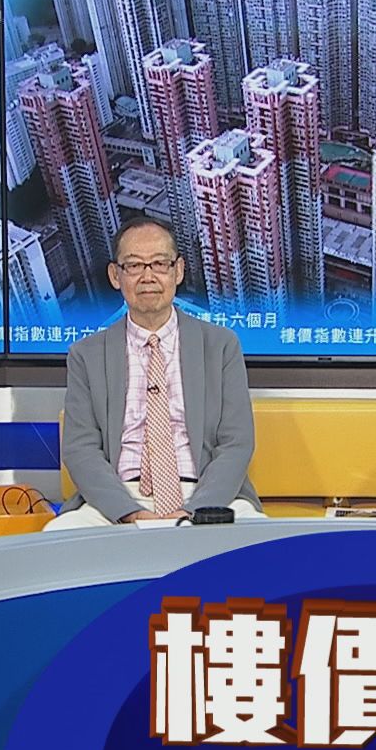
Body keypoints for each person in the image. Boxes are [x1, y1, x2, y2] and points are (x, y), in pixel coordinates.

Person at [48, 217, 262, 528]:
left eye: (160, 264)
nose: (148, 277)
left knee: (258, 539)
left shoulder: (221, 345)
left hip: (205, 495)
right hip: (118, 500)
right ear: (115, 275)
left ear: (178, 271)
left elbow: (236, 443)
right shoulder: (86, 355)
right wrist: (130, 512)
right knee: (60, 534)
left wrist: (195, 509)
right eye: (134, 265)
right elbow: (81, 450)